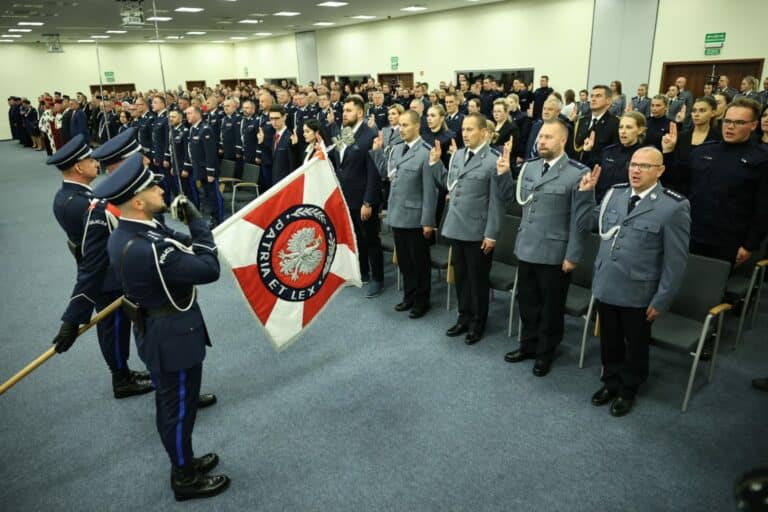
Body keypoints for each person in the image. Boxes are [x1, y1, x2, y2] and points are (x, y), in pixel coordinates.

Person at [94, 155, 230, 501]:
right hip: (172, 338)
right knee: (178, 410)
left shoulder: (132, 230)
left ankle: (184, 460)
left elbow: (175, 238)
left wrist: (188, 232)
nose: (160, 188)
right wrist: (198, 222)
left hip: (156, 329)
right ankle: (184, 477)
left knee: (173, 405)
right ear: (138, 203)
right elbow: (208, 268)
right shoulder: (150, 249)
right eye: (152, 188)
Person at [575, 146, 690, 417]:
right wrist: (585, 194)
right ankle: (610, 382)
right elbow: (587, 224)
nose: (636, 170)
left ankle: (628, 389)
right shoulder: (615, 194)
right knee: (609, 340)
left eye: (645, 166)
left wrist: (661, 299)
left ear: (660, 170)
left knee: (636, 345)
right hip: (607, 283)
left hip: (639, 291)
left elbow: (675, 261)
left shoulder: (673, 206)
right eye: (633, 164)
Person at [46, 135, 153, 398]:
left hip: (103, 270)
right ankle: (121, 379)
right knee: (114, 330)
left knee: (115, 329)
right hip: (108, 276)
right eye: (90, 160)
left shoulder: (69, 196)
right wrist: (73, 317)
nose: (96, 163)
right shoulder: (83, 203)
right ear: (78, 167)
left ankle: (123, 372)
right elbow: (94, 257)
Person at [496, 120, 590, 376]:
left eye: (548, 137)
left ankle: (545, 352)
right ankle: (528, 345)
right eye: (540, 137)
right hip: (527, 247)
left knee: (551, 308)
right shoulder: (530, 167)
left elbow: (581, 221)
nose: (542, 141)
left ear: (563, 140)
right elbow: (512, 199)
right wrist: (504, 174)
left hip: (555, 253)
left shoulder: (578, 173)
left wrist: (573, 255)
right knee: (527, 301)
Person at [663, 97, 768, 266]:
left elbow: (763, 208)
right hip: (692, 232)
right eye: (727, 121)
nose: (730, 126)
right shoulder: (704, 151)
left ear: (753, 125)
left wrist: (750, 245)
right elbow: (677, 183)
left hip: (728, 241)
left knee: (712, 281)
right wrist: (668, 152)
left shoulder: (761, 159)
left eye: (739, 122)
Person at [429, 113, 504, 344]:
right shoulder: (458, 155)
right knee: (461, 277)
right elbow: (450, 184)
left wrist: (491, 234)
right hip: (456, 226)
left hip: (478, 231)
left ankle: (478, 323)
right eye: (463, 129)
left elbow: (497, 202)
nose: (465, 133)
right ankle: (464, 317)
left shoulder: (493, 160)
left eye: (470, 129)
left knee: (477, 280)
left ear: (484, 132)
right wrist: (435, 164)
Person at [371, 110, 438, 317]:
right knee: (405, 262)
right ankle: (409, 296)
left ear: (417, 126)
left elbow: (430, 191)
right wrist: (377, 152)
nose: (401, 129)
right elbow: (387, 174)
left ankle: (422, 301)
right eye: (400, 125)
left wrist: (428, 221)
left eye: (406, 125)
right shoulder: (396, 149)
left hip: (416, 218)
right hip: (398, 214)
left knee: (419, 263)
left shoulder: (426, 152)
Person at [329, 95, 383, 297]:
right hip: (347, 196)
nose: (344, 114)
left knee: (371, 239)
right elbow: (340, 160)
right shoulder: (345, 132)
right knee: (357, 237)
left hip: (363, 198)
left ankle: (377, 278)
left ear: (360, 113)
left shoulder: (370, 135)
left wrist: (368, 202)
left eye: (348, 110)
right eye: (344, 110)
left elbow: (373, 172)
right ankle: (363, 272)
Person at [662, 96, 722, 195]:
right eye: (694, 111)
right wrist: (668, 150)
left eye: (702, 111)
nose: (696, 114)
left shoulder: (718, 139)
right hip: (678, 190)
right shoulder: (681, 136)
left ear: (713, 112)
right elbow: (671, 167)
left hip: (704, 192)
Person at [591, 112, 647, 202]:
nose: (623, 131)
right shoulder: (608, 151)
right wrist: (588, 151)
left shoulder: (645, 155)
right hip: (601, 201)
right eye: (621, 127)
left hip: (625, 203)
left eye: (628, 127)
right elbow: (592, 172)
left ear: (640, 130)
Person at [184, 106, 223, 226]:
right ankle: (213, 218)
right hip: (199, 169)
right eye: (187, 114)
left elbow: (210, 153)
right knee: (207, 195)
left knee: (214, 196)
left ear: (197, 114)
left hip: (207, 170)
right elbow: (192, 150)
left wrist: (210, 172)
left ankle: (219, 220)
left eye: (190, 113)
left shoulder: (205, 129)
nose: (187, 116)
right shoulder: (193, 129)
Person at [571, 85, 620, 166]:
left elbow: (614, 154)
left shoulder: (615, 124)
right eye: (592, 96)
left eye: (598, 96)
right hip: (578, 168)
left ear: (608, 101)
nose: (593, 99)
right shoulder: (581, 121)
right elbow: (574, 150)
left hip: (599, 169)